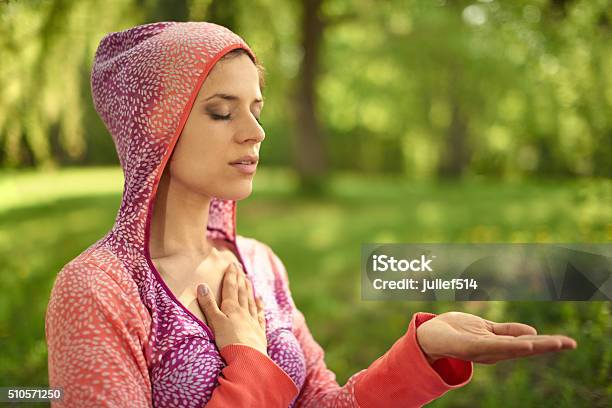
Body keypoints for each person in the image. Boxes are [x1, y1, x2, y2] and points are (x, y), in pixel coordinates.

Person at [45, 21, 577, 407]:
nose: (255, 132)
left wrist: (421, 352)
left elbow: (325, 402)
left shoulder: (260, 264)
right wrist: (249, 365)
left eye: (256, 110)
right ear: (154, 126)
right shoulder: (97, 292)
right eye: (221, 111)